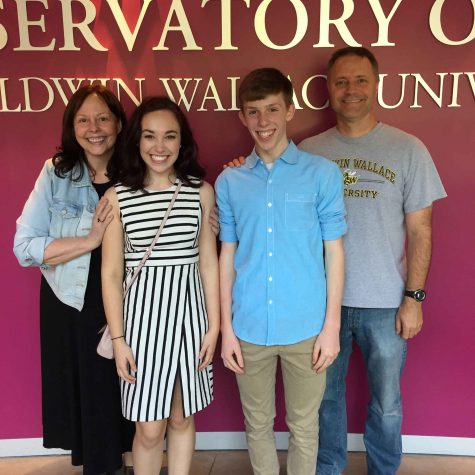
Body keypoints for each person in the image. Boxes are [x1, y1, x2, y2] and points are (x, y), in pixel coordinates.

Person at [298, 47, 447, 475]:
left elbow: (421, 230)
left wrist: (414, 297)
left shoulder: (408, 149)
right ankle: (328, 468)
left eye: (360, 80)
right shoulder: (309, 150)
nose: (351, 90)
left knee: (386, 402)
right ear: (328, 89)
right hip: (324, 304)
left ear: (376, 84)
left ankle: (384, 470)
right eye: (341, 81)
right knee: (324, 398)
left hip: (386, 303)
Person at [216, 68, 347, 475]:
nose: (263, 121)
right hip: (249, 327)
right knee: (256, 425)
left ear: (290, 110)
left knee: (305, 427)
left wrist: (331, 328)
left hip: (306, 328)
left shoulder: (322, 174)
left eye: (272, 109)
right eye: (253, 112)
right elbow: (226, 257)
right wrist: (227, 330)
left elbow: (335, 253)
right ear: (242, 117)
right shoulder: (229, 181)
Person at [13, 84, 135, 475]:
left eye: (103, 118)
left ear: (118, 123)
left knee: (131, 389)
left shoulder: (139, 170)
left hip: (130, 296)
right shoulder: (56, 173)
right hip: (72, 299)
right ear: (72, 127)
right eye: (83, 120)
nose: (94, 128)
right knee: (91, 393)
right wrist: (90, 240)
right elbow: (25, 247)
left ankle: (135, 464)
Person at [101, 96, 219, 475]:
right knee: (149, 429)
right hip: (141, 327)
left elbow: (207, 260)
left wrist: (214, 325)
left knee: (182, 417)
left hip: (189, 320)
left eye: (169, 136)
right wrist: (118, 340)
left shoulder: (200, 192)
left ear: (181, 141)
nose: (160, 147)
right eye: (150, 136)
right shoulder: (117, 197)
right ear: (136, 140)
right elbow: (111, 275)